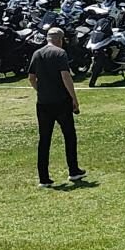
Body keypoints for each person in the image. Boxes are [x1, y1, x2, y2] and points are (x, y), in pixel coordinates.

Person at [26, 24, 85, 189]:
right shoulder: (60, 53)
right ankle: (73, 170)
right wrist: (74, 98)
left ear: (47, 38)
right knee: (69, 136)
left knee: (44, 139)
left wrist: (41, 90)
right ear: (60, 40)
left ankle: (43, 178)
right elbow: (65, 76)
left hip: (43, 103)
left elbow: (31, 77)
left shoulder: (37, 53)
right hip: (61, 101)